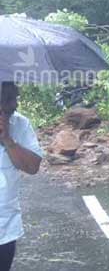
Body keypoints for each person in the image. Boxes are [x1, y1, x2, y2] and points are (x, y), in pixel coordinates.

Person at [0, 82, 43, 271]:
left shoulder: (20, 123)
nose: (15, 104)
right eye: (9, 99)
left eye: (14, 98)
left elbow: (32, 167)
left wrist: (8, 140)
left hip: (5, 227)